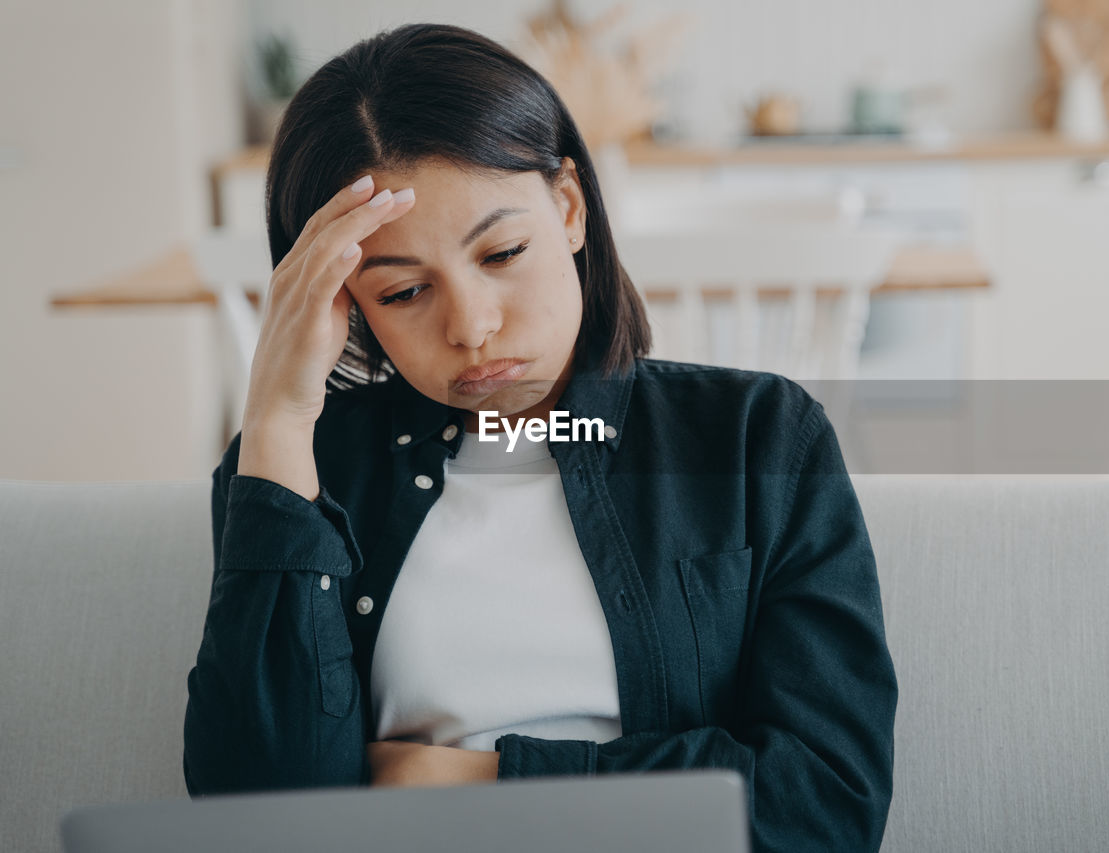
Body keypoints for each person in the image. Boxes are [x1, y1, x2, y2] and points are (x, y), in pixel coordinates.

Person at [183, 22, 897, 853]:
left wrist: (470, 780)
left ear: (567, 208)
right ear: (348, 304)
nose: (472, 326)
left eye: (503, 251)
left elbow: (827, 803)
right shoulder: (302, 470)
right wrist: (273, 422)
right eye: (406, 291)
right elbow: (256, 820)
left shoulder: (757, 439)